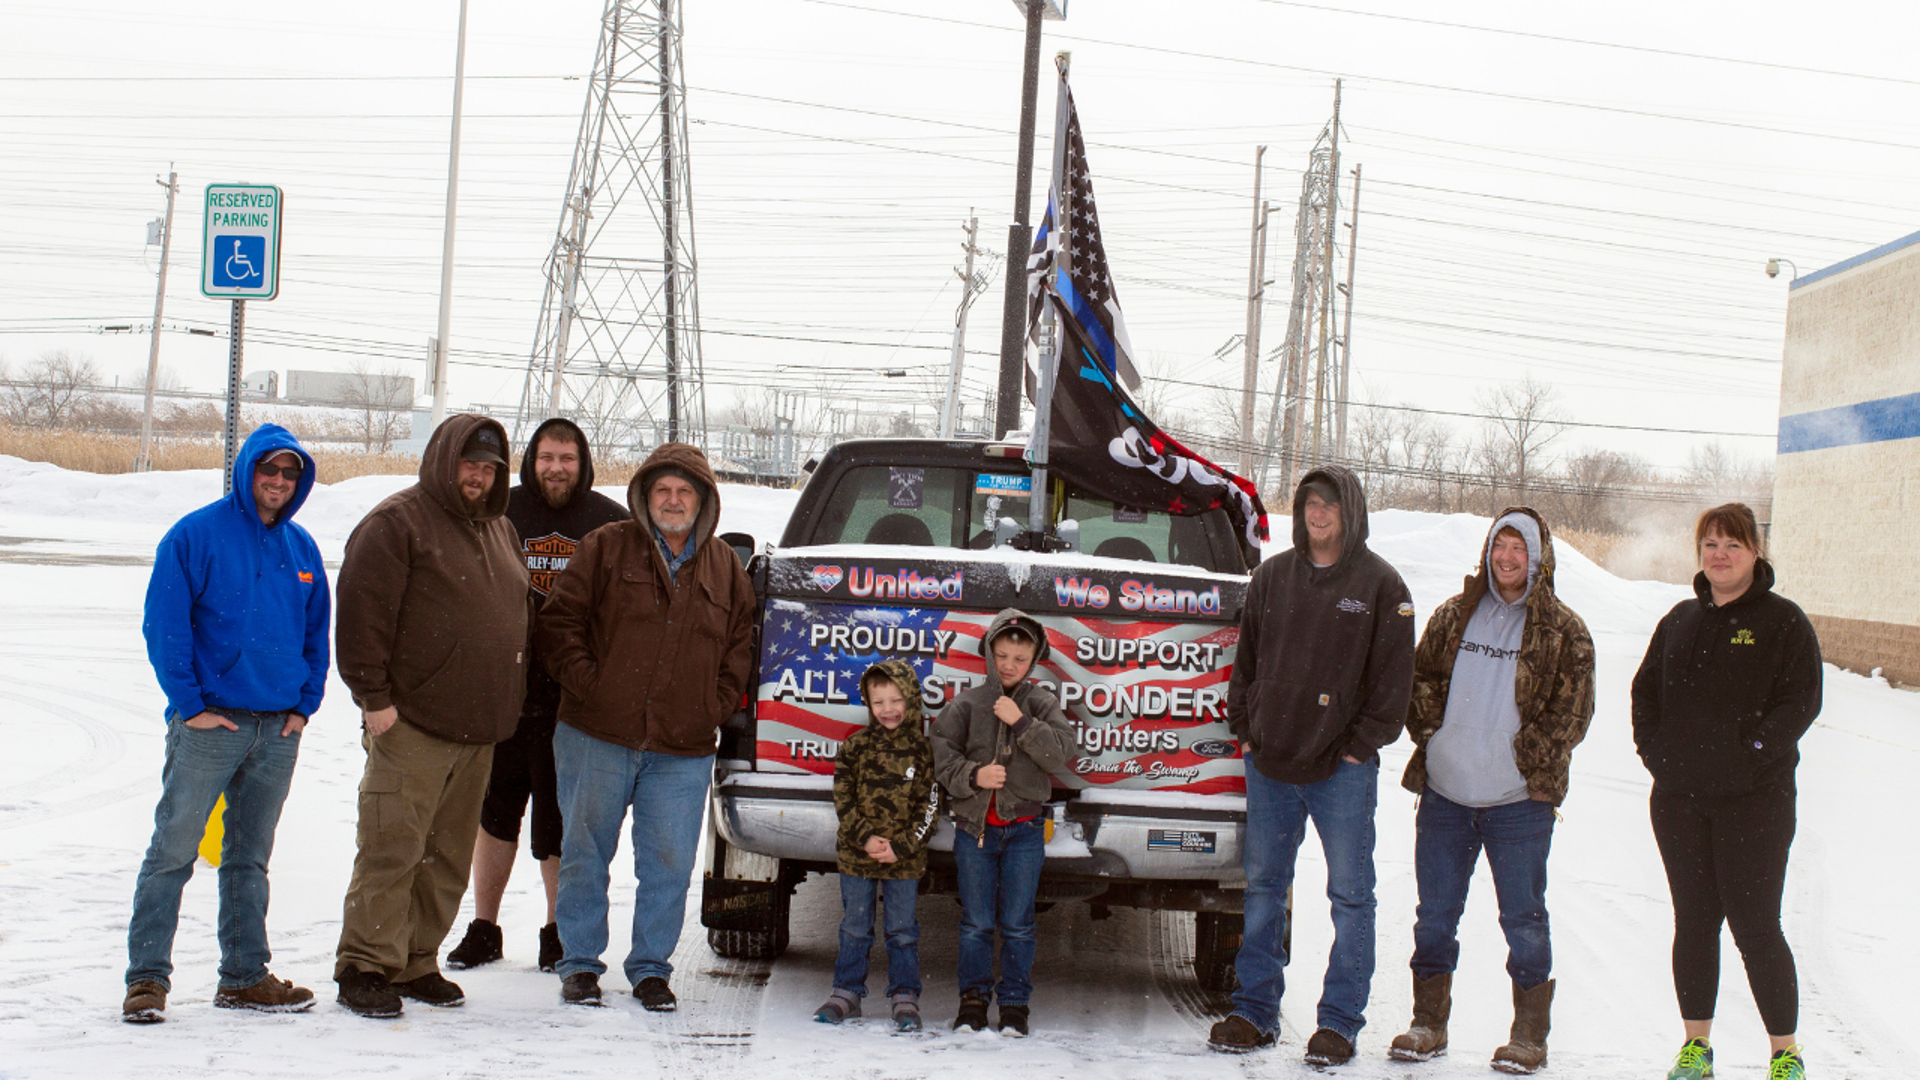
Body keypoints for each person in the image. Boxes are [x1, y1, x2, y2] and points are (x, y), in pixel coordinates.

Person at [536, 443, 755, 1010]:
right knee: (584, 853)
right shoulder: (605, 547)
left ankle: (652, 969)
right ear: (644, 496)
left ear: (704, 501)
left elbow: (741, 646)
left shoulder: (725, 567)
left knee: (669, 864)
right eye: (663, 490)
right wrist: (593, 685)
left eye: (685, 491)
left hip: (681, 747)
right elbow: (559, 624)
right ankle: (580, 963)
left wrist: (713, 705)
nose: (673, 500)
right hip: (595, 735)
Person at [1210, 465, 1416, 1065]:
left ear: (1349, 510)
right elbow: (1244, 662)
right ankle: (1254, 1010)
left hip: (1341, 772)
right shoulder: (1272, 576)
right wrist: (1247, 730)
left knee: (1351, 895)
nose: (1318, 514)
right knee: (1264, 889)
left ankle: (1340, 1022)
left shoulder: (1382, 586)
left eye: (1328, 504)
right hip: (1270, 762)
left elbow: (1393, 681)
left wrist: (1360, 743)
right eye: (1309, 504)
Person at [124, 425, 330, 1023]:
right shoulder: (195, 536)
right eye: (270, 471)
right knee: (174, 852)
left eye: (291, 475)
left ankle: (243, 977)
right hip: (210, 727)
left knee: (248, 858)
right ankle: (146, 981)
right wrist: (190, 706)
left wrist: (304, 705)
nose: (279, 483)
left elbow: (317, 634)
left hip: (277, 732)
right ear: (248, 472)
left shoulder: (303, 549)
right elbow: (165, 626)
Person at [332, 415, 532, 1019]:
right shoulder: (397, 523)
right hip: (411, 722)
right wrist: (375, 702)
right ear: (445, 460)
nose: (479, 475)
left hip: (479, 730)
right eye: (470, 464)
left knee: (445, 857)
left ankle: (417, 960)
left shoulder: (500, 527)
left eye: (490, 467)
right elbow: (361, 616)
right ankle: (365, 964)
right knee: (392, 848)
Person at [1390, 509, 1595, 1074]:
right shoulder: (1454, 616)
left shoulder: (1565, 631)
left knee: (1525, 920)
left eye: (1519, 548)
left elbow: (1573, 714)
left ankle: (1530, 1034)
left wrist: (1517, 758)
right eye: (1500, 545)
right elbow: (1419, 680)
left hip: (1519, 804)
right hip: (1446, 797)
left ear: (1539, 557)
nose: (1507, 557)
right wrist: (1437, 740)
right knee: (1434, 916)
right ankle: (1428, 1023)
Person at [1633, 503, 1821, 1080]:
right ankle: (1696, 1048)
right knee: (1693, 922)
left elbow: (1801, 701)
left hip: (1754, 804)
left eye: (1732, 544)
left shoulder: (1782, 621)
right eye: (1711, 544)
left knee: (1757, 927)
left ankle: (1785, 1054)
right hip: (1680, 801)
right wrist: (1657, 756)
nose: (1720, 554)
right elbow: (1645, 695)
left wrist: (1754, 755)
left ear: (1755, 552)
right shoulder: (1680, 619)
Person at [446, 418, 626, 974]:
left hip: (571, 700)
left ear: (583, 462)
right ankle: (484, 926)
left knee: (560, 820)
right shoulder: (500, 510)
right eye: (546, 457)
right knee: (494, 812)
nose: (556, 468)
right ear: (531, 460)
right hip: (501, 692)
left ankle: (555, 929)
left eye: (567, 458)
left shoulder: (610, 522)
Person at [930, 609, 1076, 1037]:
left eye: (1020, 657)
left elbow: (1060, 753)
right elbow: (941, 753)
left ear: (1034, 661)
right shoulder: (968, 703)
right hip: (975, 833)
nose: (1009, 665)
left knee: (1018, 923)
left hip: (1024, 832)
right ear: (989, 655)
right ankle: (972, 1002)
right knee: (976, 923)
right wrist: (973, 777)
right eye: (1002, 655)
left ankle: (1014, 1005)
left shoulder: (1040, 703)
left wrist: (1022, 723)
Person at [813, 660, 938, 1031]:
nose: (888, 709)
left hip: (904, 861)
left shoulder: (923, 752)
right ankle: (847, 992)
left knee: (902, 930)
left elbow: (929, 808)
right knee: (855, 926)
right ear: (868, 703)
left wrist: (900, 846)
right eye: (878, 701)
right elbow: (843, 799)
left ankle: (905, 997)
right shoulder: (855, 747)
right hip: (857, 858)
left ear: (912, 700)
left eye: (896, 699)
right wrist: (865, 838)